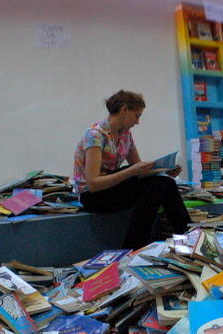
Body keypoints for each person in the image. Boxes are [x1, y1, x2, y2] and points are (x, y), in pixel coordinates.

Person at [73, 90, 191, 250]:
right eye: (137, 116)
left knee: (164, 183)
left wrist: (164, 170)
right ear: (124, 110)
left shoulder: (125, 135)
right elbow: (93, 184)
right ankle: (181, 239)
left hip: (111, 188)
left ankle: (186, 239)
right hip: (92, 196)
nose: (138, 122)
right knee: (155, 187)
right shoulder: (95, 135)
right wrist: (131, 171)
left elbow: (140, 171)